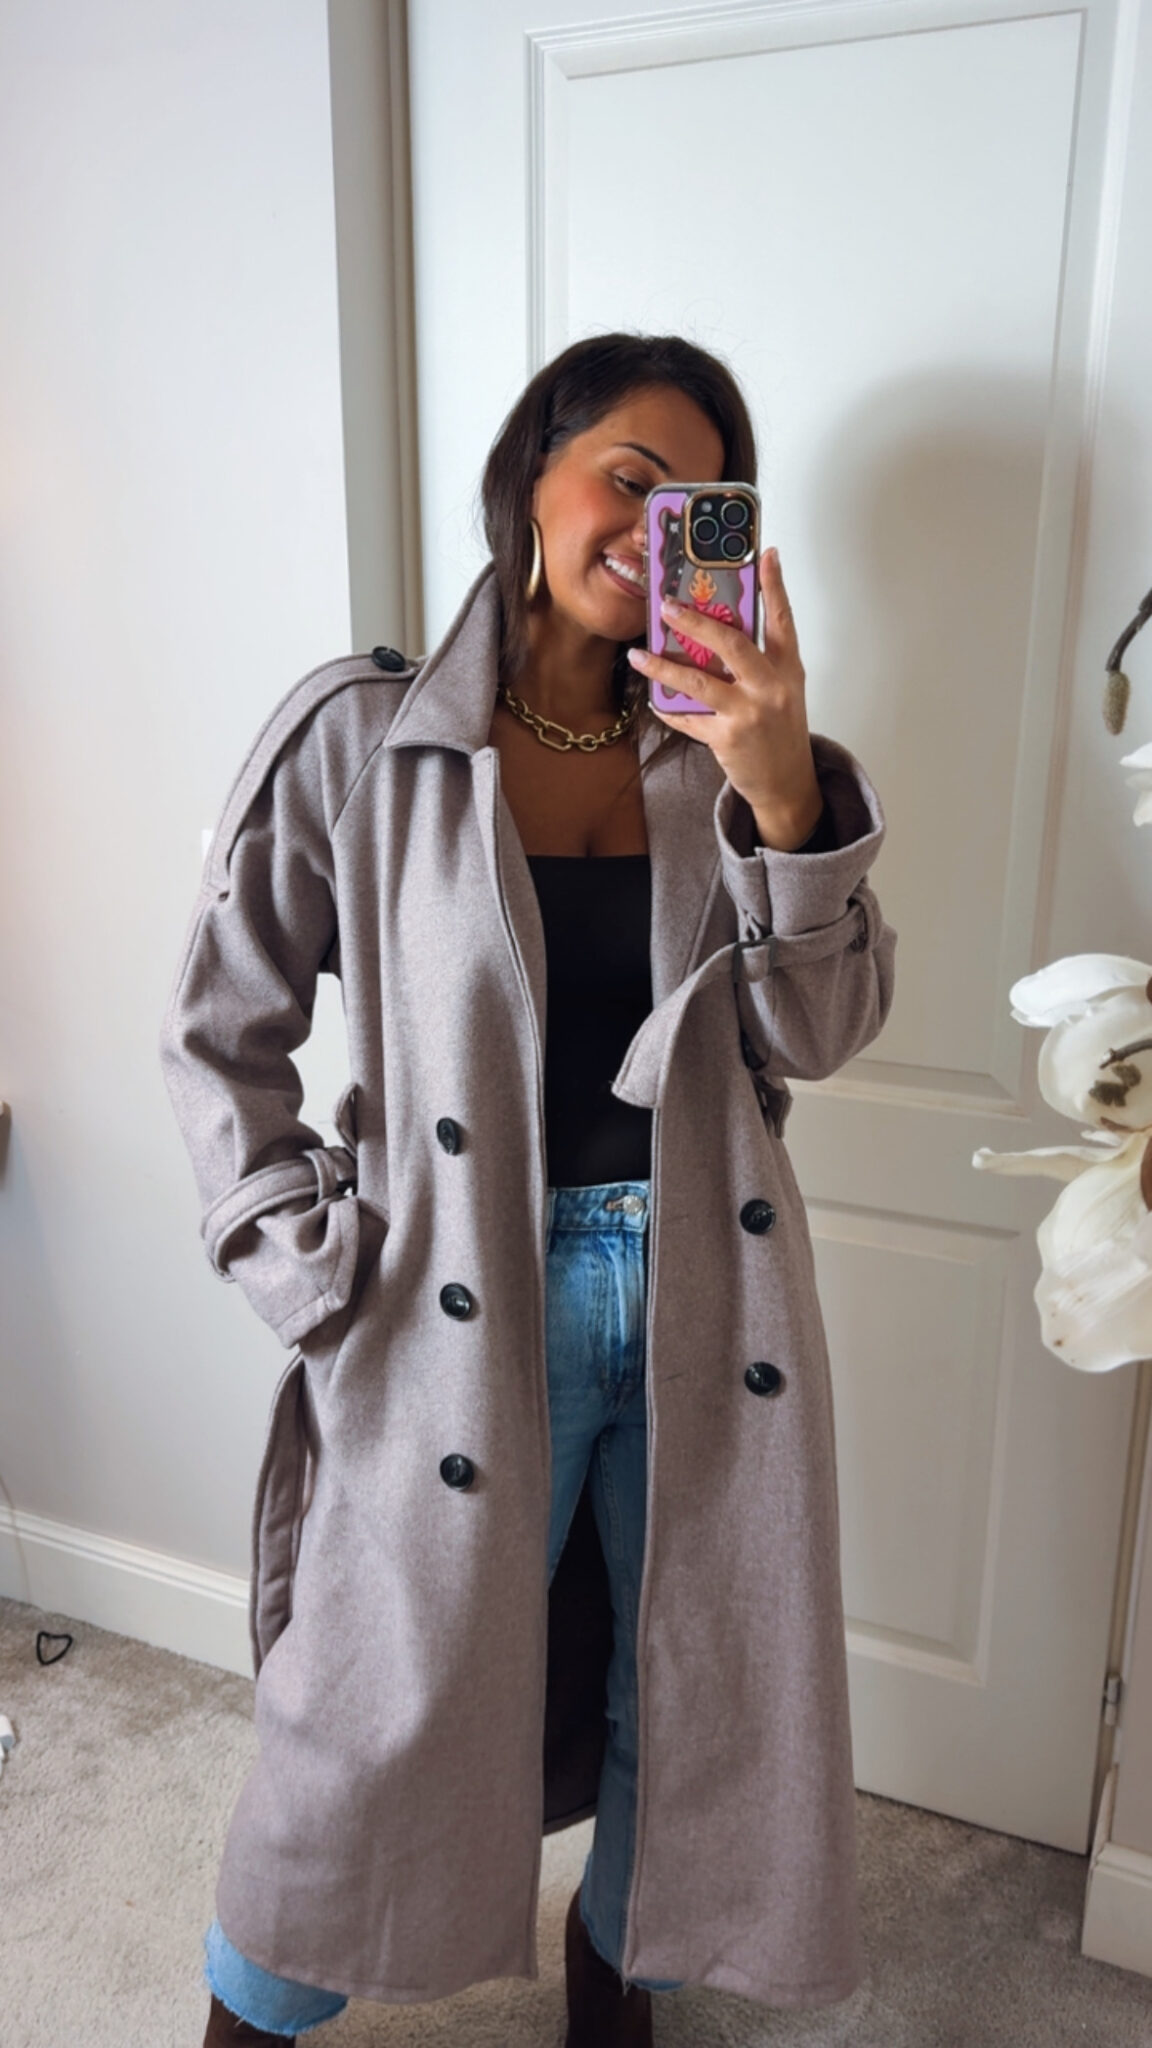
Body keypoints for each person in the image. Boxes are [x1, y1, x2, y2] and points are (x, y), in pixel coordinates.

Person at [160, 332, 896, 2047]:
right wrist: (303, 1263)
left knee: (688, 1687)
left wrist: (783, 790)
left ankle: (615, 1981)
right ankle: (256, 2008)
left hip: (710, 1289)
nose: (652, 528)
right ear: (530, 478)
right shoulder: (365, 738)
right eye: (628, 479)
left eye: (700, 503)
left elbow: (822, 1030)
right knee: (373, 1704)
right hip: (450, 1296)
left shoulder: (734, 756)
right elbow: (218, 1030)